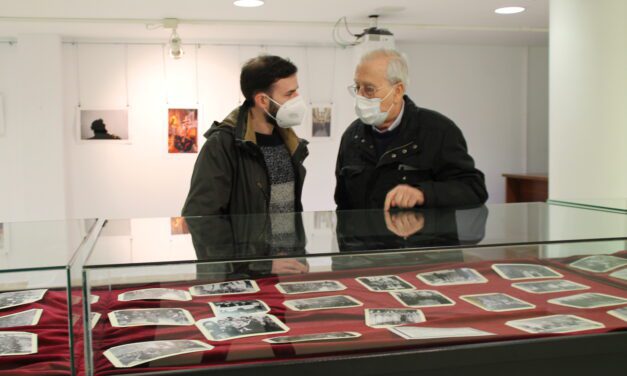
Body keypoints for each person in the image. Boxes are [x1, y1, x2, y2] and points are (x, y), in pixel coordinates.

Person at [334, 49, 488, 210]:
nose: (360, 96)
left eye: (369, 89)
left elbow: (474, 189)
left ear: (398, 91)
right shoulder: (351, 137)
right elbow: (343, 206)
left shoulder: (438, 131)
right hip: (364, 235)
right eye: (357, 87)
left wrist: (423, 193)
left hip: (421, 235)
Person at [182, 55, 309, 217]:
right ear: (263, 100)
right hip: (245, 243)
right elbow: (201, 216)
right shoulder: (222, 145)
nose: (297, 98)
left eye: (296, 90)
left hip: (290, 243)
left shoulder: (291, 142)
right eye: (289, 93)